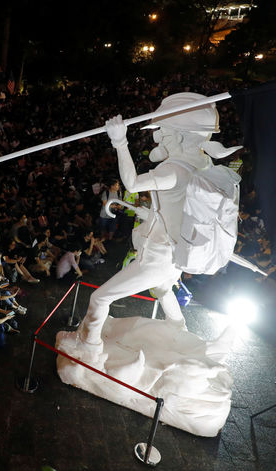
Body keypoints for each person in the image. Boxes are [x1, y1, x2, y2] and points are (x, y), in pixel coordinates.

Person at [61, 93, 241, 365]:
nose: (158, 138)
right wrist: (148, 212)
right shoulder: (202, 165)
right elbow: (173, 209)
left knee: (99, 299)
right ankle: (180, 331)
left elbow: (132, 183)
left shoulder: (173, 170)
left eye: (164, 133)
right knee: (163, 291)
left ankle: (90, 348)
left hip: (157, 256)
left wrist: (119, 141)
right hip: (172, 253)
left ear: (181, 136)